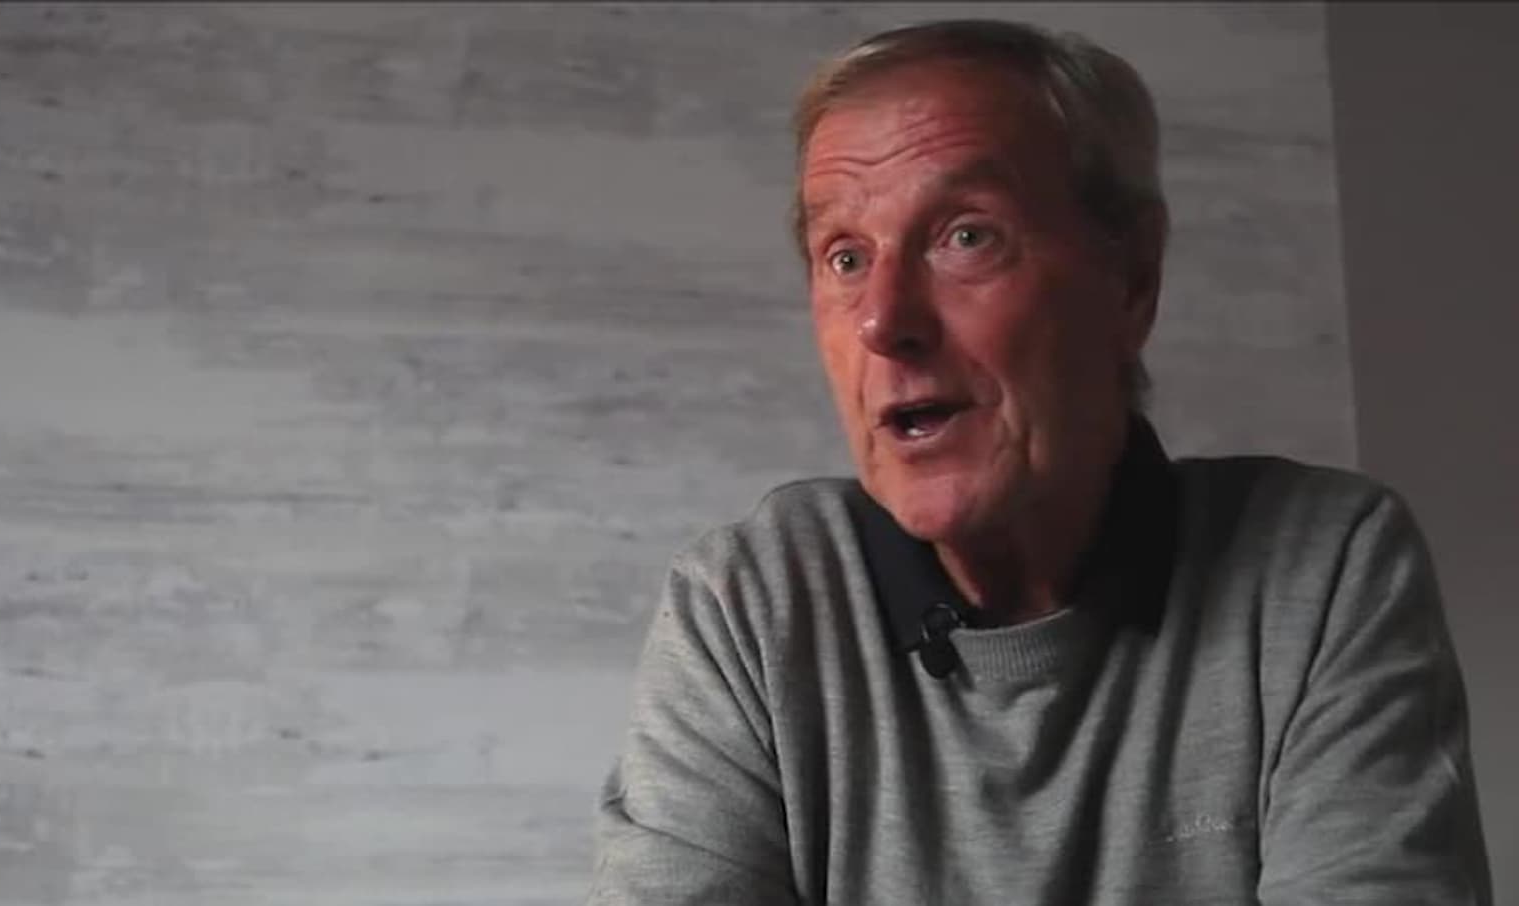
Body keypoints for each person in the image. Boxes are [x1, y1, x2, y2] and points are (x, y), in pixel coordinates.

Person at [585, 18, 1491, 905]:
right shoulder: (748, 605)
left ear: (1131, 280)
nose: (883, 321)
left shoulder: (1322, 569)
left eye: (966, 236)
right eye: (846, 256)